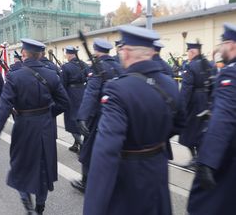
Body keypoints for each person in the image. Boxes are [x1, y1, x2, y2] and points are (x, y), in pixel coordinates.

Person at [83, 25, 184, 215]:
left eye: (122, 50)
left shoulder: (118, 89)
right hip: (158, 169)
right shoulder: (170, 84)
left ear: (127, 52)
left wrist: (93, 208)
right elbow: (180, 123)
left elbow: (106, 151)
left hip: (129, 177)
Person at [0, 38, 69, 215]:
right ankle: (40, 206)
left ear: (23, 53)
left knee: (21, 167)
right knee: (44, 168)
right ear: (40, 55)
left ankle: (28, 205)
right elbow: (64, 103)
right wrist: (48, 114)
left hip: (23, 127)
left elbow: (3, 110)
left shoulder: (14, 76)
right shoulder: (51, 74)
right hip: (45, 126)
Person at [187, 23, 236, 215]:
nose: (220, 48)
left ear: (231, 45)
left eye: (222, 43)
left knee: (205, 205)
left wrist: (207, 161)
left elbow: (224, 117)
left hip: (227, 156)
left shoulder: (231, 73)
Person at [71, 38, 123, 193]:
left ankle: (86, 182)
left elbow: (92, 92)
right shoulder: (118, 65)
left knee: (87, 150)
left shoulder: (97, 66)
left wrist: (82, 117)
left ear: (96, 50)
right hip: (116, 114)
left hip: (98, 115)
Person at [179, 42, 212, 168]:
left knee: (188, 132)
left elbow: (186, 89)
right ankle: (199, 158)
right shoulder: (207, 64)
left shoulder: (190, 66)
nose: (188, 54)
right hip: (205, 101)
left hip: (194, 102)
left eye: (188, 52)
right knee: (201, 131)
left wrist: (182, 107)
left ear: (192, 52)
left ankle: (195, 159)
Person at [61, 46, 89, 153]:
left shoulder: (66, 67)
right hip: (83, 92)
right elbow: (89, 77)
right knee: (81, 118)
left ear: (69, 54)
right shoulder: (84, 64)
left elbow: (62, 84)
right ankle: (75, 144)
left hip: (71, 94)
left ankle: (82, 146)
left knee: (71, 121)